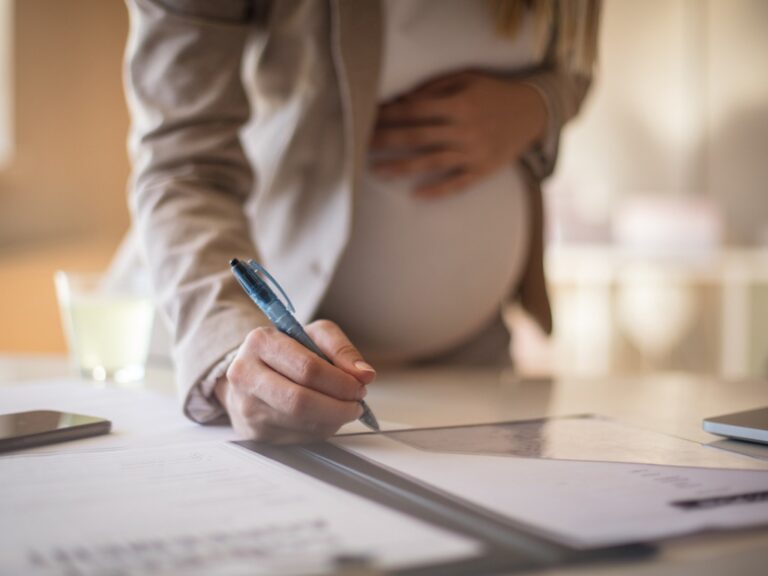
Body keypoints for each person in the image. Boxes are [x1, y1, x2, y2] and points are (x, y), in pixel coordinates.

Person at [119, 0, 600, 442]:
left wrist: (539, 105)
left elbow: (578, 63)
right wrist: (227, 356)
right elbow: (182, 165)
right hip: (271, 366)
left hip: (475, 356)